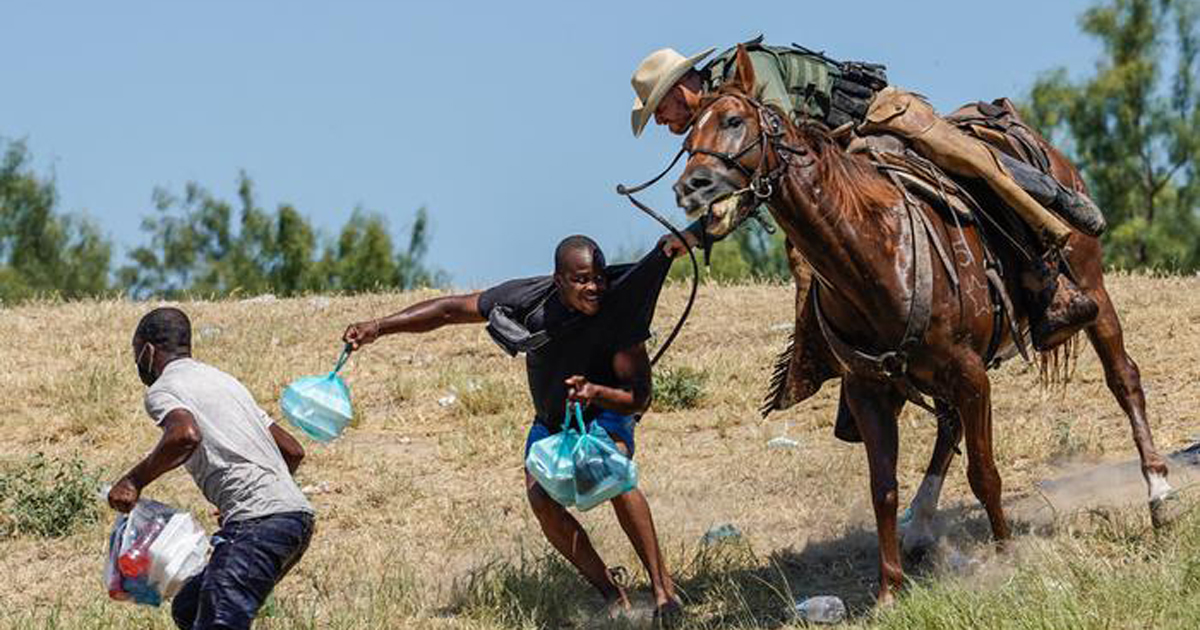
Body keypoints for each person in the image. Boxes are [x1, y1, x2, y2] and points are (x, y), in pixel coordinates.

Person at [630, 36, 1105, 352]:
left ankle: (1048, 259)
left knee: (967, 165)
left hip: (875, 119)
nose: (659, 120)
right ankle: (841, 352)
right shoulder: (713, 123)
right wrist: (697, 231)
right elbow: (747, 182)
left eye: (659, 107)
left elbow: (779, 145)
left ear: (681, 88)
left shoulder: (746, 73)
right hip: (836, 159)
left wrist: (704, 224)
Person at [342, 235, 682, 621]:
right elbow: (451, 310)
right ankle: (612, 594)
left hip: (606, 411)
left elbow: (639, 399)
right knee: (541, 500)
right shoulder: (527, 299)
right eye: (583, 280)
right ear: (559, 280)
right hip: (552, 422)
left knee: (611, 472)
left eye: (600, 278)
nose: (595, 288)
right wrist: (379, 327)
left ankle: (662, 591)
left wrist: (595, 392)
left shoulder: (619, 313)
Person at [108, 307, 315, 630]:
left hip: (258, 523)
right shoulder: (225, 382)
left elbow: (184, 435)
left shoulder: (164, 388)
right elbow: (293, 451)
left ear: (147, 350)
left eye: (136, 353)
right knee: (190, 608)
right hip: (296, 520)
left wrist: (133, 480)